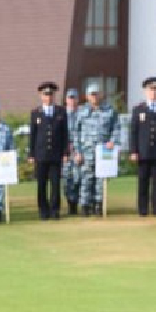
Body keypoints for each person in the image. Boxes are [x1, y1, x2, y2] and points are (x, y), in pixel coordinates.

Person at [70, 81, 119, 216]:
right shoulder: (81, 112)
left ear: (101, 95)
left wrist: (112, 141)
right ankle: (85, 205)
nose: (95, 97)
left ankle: (98, 205)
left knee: (101, 179)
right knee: (86, 179)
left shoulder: (109, 111)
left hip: (103, 152)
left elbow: (116, 129)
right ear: (87, 96)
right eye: (92, 94)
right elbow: (75, 133)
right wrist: (77, 152)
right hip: (86, 152)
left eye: (97, 94)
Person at [130, 76, 156, 216]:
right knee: (143, 182)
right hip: (143, 152)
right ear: (145, 91)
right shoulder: (138, 109)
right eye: (150, 89)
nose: (153, 92)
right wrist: (133, 151)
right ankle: (142, 209)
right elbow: (133, 132)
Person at [27, 81, 68, 220]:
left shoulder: (61, 112)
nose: (48, 97)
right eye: (46, 94)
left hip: (56, 154)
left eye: (51, 94)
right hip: (41, 154)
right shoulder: (35, 113)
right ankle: (43, 210)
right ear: (41, 95)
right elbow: (32, 135)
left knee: (56, 184)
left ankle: (55, 210)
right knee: (41, 184)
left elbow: (64, 134)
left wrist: (65, 152)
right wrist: (31, 154)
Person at [62, 88, 84, 216]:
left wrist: (79, 151)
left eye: (74, 98)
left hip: (79, 152)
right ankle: (71, 205)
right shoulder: (62, 114)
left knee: (79, 178)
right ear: (66, 100)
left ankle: (79, 202)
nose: (72, 100)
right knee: (67, 179)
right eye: (70, 98)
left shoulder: (82, 114)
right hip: (66, 153)